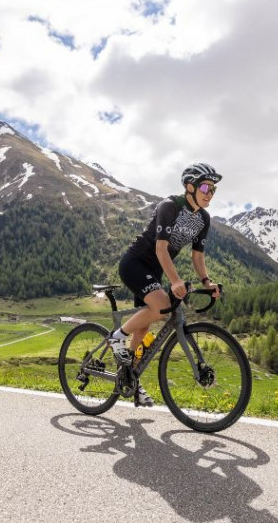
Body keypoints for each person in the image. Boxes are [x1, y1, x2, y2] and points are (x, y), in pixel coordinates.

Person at [110, 163, 222, 406]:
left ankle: (131, 380)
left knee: (144, 329)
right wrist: (175, 281)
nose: (209, 193)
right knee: (161, 307)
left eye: (213, 190)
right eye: (205, 187)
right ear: (189, 187)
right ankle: (116, 337)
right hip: (135, 264)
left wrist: (207, 281)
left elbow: (197, 257)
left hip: (155, 271)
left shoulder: (203, 218)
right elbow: (161, 249)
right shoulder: (169, 206)